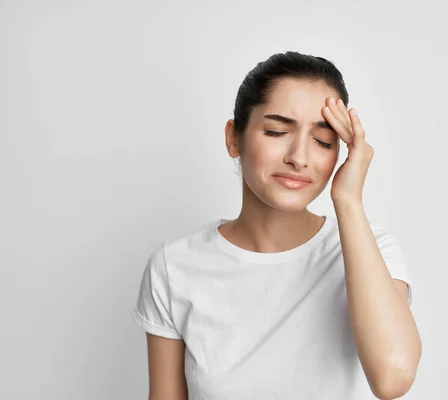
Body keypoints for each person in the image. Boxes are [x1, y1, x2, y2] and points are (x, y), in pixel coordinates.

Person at [131, 51, 422, 400]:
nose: (299, 157)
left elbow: (393, 379)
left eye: (323, 141)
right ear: (233, 138)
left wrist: (348, 201)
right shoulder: (174, 265)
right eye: (276, 131)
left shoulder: (369, 249)